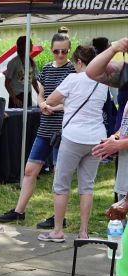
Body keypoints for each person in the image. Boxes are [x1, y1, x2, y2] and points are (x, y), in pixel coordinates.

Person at [0, 33, 75, 226]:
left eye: (64, 51)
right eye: (57, 51)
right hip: (45, 127)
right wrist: (41, 104)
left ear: (69, 50)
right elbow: (40, 91)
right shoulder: (47, 68)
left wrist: (53, 107)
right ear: (51, 50)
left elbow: (74, 101)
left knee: (59, 173)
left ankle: (59, 217)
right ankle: (19, 211)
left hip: (63, 129)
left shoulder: (73, 71)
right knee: (30, 170)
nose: (60, 54)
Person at [37, 46, 108, 243]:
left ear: (78, 61)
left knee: (61, 184)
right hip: (96, 138)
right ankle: (84, 232)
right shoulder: (102, 82)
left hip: (73, 137)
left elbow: (50, 100)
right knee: (87, 186)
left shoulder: (73, 79)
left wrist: (48, 104)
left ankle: (58, 230)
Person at [86, 37, 128, 276]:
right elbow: (92, 71)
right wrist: (114, 48)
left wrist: (120, 144)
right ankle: (121, 275)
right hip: (125, 161)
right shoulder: (125, 71)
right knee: (121, 217)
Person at [5, 36, 40, 109]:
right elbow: (7, 83)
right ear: (24, 46)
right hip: (17, 97)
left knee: (28, 118)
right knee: (17, 119)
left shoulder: (32, 62)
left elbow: (34, 82)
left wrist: (41, 95)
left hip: (28, 95)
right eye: (30, 44)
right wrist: (14, 99)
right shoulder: (13, 62)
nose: (32, 46)